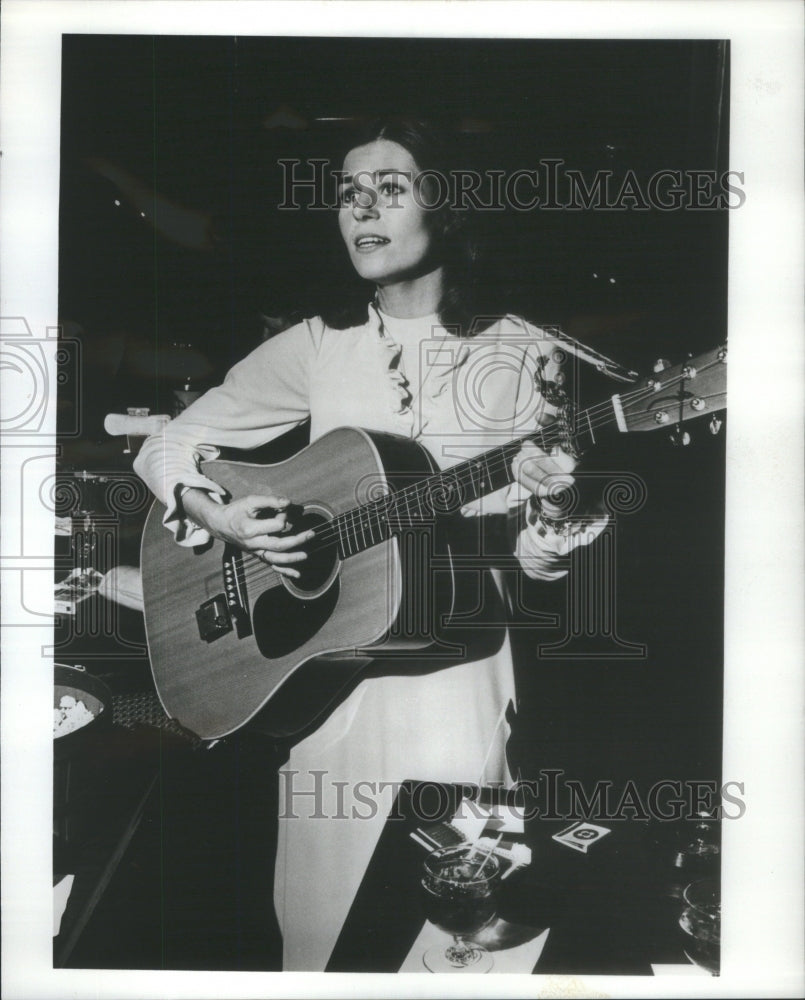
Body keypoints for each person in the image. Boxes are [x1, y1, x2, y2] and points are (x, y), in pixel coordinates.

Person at [134, 118, 607, 971]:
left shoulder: (526, 349)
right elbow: (164, 445)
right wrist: (220, 517)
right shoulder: (319, 343)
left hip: (459, 683)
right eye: (349, 193)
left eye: (391, 188)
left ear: (447, 206)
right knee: (315, 943)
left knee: (452, 942)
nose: (363, 209)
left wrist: (550, 519)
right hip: (325, 690)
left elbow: (535, 557)